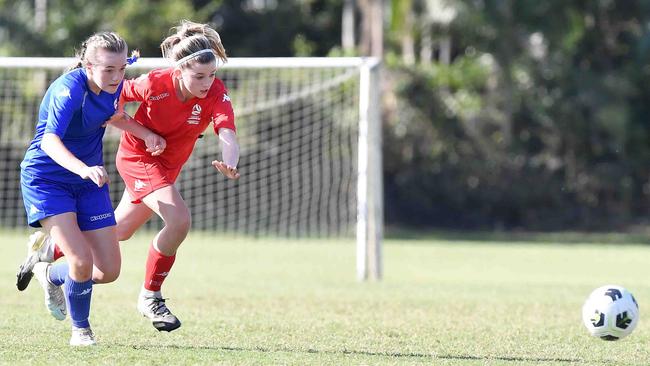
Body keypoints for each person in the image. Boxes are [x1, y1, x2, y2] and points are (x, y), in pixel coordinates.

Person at [17, 20, 240, 333]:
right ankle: (151, 296)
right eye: (199, 76)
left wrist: (230, 161)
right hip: (139, 159)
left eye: (212, 74)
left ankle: (49, 265)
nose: (207, 82)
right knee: (179, 220)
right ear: (179, 70)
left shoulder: (216, 92)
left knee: (117, 232)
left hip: (167, 168)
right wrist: (145, 133)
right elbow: (114, 108)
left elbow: (227, 132)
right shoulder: (153, 83)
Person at [17, 32, 166, 346]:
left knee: (108, 270)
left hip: (88, 183)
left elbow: (112, 115)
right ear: (87, 66)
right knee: (81, 261)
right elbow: (49, 141)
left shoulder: (113, 86)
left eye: (122, 69)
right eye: (109, 70)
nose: (117, 76)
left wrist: (145, 134)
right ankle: (81, 332)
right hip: (48, 180)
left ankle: (50, 275)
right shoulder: (68, 91)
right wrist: (84, 168)